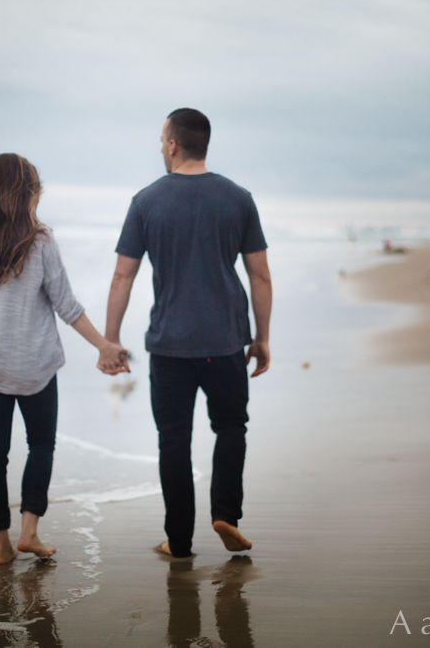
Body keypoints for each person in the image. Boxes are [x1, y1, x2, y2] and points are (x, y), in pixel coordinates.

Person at [105, 108, 272, 559]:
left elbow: (124, 277)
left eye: (162, 139)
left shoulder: (146, 201)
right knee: (231, 427)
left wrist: (110, 340)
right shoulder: (238, 198)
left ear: (174, 144)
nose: (160, 146)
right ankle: (225, 516)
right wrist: (262, 338)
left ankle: (179, 541)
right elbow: (260, 276)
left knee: (174, 440)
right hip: (225, 343)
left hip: (170, 346)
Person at [0, 153, 128, 565]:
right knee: (41, 445)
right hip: (34, 366)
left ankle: (1, 546)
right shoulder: (41, 240)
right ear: (28, 192)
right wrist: (103, 345)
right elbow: (66, 305)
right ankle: (29, 531)